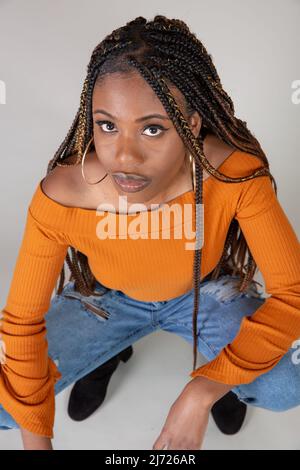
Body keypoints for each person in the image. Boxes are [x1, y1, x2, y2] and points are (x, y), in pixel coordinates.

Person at [1, 15, 300, 451]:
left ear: (192, 125)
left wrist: (207, 388)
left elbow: (293, 293)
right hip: (107, 300)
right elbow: (22, 323)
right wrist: (36, 445)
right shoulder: (62, 196)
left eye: (153, 128)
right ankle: (109, 354)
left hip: (203, 292)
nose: (124, 156)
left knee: (285, 384)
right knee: (7, 403)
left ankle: (219, 371)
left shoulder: (232, 174)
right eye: (107, 125)